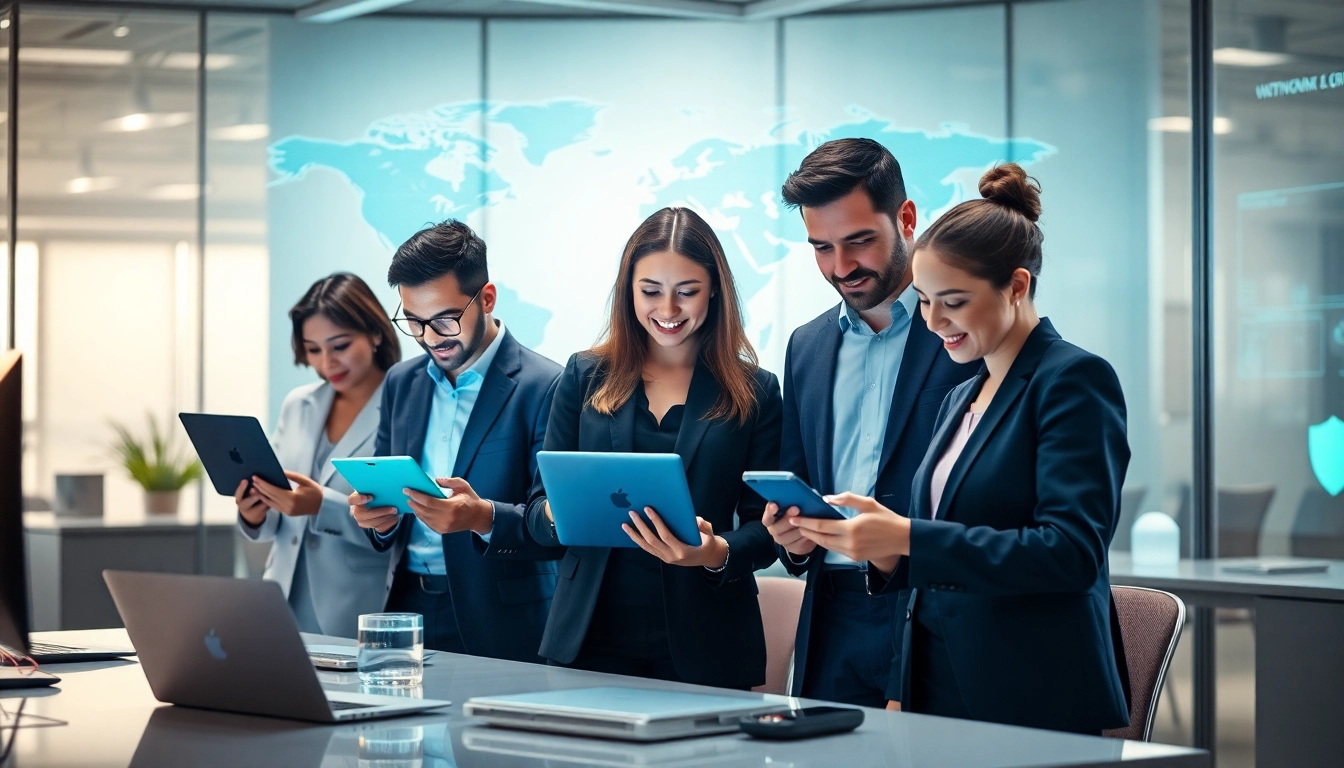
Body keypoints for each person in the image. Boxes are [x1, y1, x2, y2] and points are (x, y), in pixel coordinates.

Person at [790, 164, 1131, 734]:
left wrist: (905, 535)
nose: (934, 321)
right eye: (924, 301)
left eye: (953, 301)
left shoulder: (1073, 379)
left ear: (1016, 287)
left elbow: (1071, 552)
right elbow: (942, 550)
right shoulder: (965, 395)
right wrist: (884, 544)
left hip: (1028, 689)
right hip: (938, 681)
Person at [516, 207, 782, 688]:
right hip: (590, 633)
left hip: (706, 638)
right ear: (628, 292)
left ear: (715, 289)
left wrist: (715, 551)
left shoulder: (756, 390)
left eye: (687, 292)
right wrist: (559, 512)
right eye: (651, 292)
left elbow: (770, 529)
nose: (668, 310)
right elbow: (537, 510)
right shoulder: (583, 374)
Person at [763, 138, 978, 708]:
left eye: (859, 241)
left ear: (906, 219)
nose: (841, 267)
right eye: (821, 248)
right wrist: (793, 540)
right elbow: (798, 476)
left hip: (935, 610)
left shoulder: (966, 333)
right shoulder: (805, 346)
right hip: (830, 614)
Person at [349, 220, 563, 662]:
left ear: (486, 298)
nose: (429, 338)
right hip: (407, 610)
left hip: (502, 621)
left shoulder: (548, 385)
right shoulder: (400, 383)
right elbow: (383, 495)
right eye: (414, 321)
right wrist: (380, 520)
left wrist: (481, 517)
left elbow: (557, 527)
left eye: (445, 320)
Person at [237, 273, 400, 638]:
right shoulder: (299, 404)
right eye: (313, 350)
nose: (327, 363)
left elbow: (401, 525)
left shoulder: (403, 405)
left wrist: (319, 505)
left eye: (339, 345)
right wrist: (254, 515)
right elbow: (276, 514)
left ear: (375, 333)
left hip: (355, 612)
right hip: (281, 607)